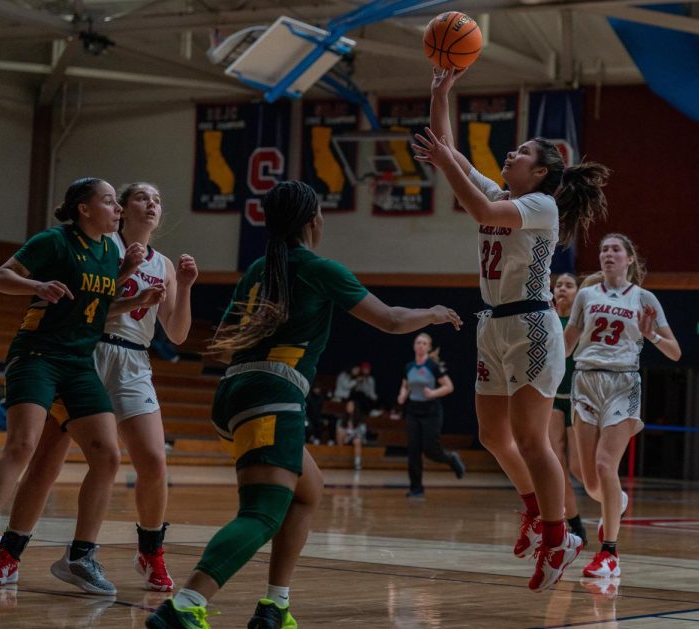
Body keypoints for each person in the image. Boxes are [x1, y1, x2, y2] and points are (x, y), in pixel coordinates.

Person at [146, 180, 461, 629]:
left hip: (235, 392)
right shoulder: (318, 268)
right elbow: (390, 320)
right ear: (314, 220)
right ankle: (185, 605)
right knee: (260, 513)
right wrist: (431, 313)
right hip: (271, 398)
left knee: (307, 491)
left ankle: (275, 605)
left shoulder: (258, 268)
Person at [413, 66, 610, 592]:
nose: (510, 155)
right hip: (493, 324)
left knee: (529, 437)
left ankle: (559, 535)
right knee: (492, 435)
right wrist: (441, 92)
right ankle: (534, 511)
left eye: (522, 152)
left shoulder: (540, 206)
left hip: (531, 324)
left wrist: (445, 163)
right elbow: (450, 152)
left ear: (542, 171)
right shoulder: (507, 191)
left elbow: (475, 204)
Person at [0, 182, 198, 592]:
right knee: (46, 456)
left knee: (153, 459)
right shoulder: (102, 245)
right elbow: (87, 306)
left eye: (158, 199)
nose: (151, 204)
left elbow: (176, 335)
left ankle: (149, 551)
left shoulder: (166, 265)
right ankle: (10, 550)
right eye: (141, 197)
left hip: (133, 360)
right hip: (87, 351)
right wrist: (124, 274)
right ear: (122, 205)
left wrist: (185, 287)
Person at [564, 234, 681, 579]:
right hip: (585, 380)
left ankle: (610, 553)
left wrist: (652, 336)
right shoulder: (585, 295)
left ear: (630, 259)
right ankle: (618, 502)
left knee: (605, 464)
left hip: (623, 382)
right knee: (591, 482)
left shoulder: (644, 299)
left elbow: (675, 351)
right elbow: (568, 343)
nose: (608, 254)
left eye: (615, 249)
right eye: (603, 249)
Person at [396, 333, 464, 499]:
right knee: (413, 451)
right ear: (414, 346)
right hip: (413, 412)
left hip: (431, 413)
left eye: (424, 343)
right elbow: (405, 385)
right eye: (418, 342)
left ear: (428, 347)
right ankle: (416, 489)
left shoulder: (433, 366)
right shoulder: (409, 366)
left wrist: (433, 392)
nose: (420, 345)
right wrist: (402, 394)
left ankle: (452, 459)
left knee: (431, 450)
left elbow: (449, 387)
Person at [548, 273, 586, 542]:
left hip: (579, 396)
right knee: (556, 462)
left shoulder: (582, 322)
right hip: (551, 395)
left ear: (578, 292)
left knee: (576, 466)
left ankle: (612, 496)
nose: (562, 289)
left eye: (568, 285)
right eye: (559, 285)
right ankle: (575, 525)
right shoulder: (547, 318)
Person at [335, 399, 367, 471]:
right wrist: (345, 434)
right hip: (344, 438)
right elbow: (338, 428)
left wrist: (349, 437)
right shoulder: (342, 418)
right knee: (340, 432)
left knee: (357, 441)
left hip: (356, 438)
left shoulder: (360, 418)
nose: (349, 407)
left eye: (351, 406)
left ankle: (357, 463)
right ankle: (340, 456)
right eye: (348, 406)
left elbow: (362, 432)